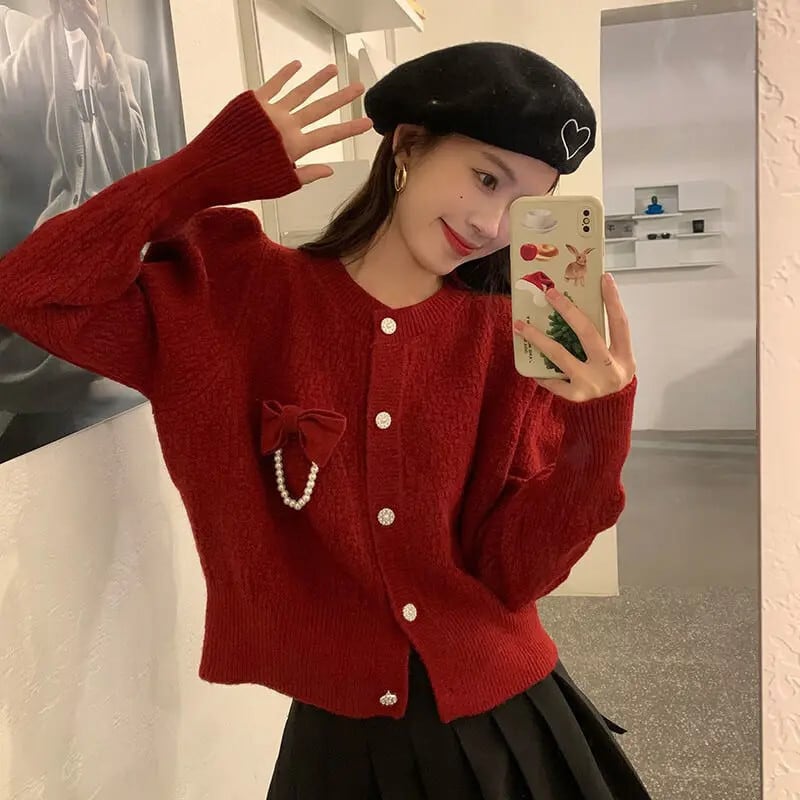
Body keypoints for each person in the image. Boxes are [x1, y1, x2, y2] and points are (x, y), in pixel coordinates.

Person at [0, 41, 648, 799]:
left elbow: (516, 574)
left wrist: (598, 433)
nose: (490, 223)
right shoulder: (234, 295)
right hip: (337, 737)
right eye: (485, 177)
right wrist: (199, 173)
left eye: (524, 204)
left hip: (503, 724)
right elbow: (32, 292)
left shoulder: (509, 345)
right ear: (408, 145)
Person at [0, 0, 151, 462]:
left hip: (117, 247)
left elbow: (142, 159)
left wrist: (103, 67)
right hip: (55, 240)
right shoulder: (30, 53)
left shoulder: (132, 69)